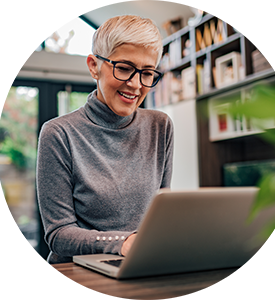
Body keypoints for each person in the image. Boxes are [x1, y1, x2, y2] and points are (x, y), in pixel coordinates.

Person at [37, 15, 174, 264]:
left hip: (141, 264)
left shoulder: (160, 126)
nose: (135, 85)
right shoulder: (58, 134)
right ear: (93, 66)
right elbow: (58, 235)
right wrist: (122, 243)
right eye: (124, 68)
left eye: (147, 73)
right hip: (78, 272)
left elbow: (162, 213)